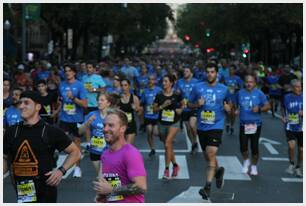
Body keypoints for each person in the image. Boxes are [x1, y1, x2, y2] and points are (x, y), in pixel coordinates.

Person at [3, 91, 81, 203]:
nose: (21, 106)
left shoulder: (50, 131)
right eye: (20, 103)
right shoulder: (12, 131)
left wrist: (60, 171)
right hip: (23, 190)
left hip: (46, 190)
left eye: (26, 103)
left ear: (38, 107)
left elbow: (75, 152)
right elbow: (5, 158)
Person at [189, 63, 231, 201]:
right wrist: (197, 105)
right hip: (202, 126)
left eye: (212, 72)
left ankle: (207, 187)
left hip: (216, 125)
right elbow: (189, 103)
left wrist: (228, 108)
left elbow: (230, 106)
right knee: (208, 157)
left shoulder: (224, 89)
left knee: (211, 153)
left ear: (217, 73)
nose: (210, 74)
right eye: (208, 72)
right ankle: (218, 172)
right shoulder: (198, 87)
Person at [93, 108, 147, 203]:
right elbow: (106, 183)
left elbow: (141, 186)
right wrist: (101, 196)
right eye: (104, 125)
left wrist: (112, 190)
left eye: (111, 125)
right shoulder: (105, 154)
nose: (105, 129)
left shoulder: (130, 153)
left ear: (122, 128)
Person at [236, 74, 271, 175]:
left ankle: (254, 166)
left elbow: (268, 106)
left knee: (254, 148)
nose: (248, 84)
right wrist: (236, 110)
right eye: (247, 82)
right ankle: (246, 160)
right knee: (243, 147)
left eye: (251, 82)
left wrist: (259, 109)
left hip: (256, 124)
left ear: (255, 83)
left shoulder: (259, 94)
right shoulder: (240, 93)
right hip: (243, 124)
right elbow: (235, 105)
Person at [79, 92, 120, 175]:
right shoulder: (92, 114)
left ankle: (113, 185)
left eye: (102, 100)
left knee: (101, 177)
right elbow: (80, 131)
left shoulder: (113, 116)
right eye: (98, 100)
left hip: (109, 150)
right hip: (95, 150)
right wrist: (88, 122)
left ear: (108, 103)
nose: (99, 102)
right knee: (103, 176)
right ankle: (115, 186)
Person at [58, 64, 88, 178]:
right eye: (66, 71)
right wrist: (57, 111)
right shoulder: (61, 85)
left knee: (77, 143)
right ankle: (66, 159)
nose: (67, 73)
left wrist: (73, 98)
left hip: (77, 118)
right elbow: (61, 101)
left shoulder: (80, 85)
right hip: (64, 118)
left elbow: (85, 104)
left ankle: (77, 168)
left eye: (70, 71)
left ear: (74, 72)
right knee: (61, 141)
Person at [153, 74, 183, 179]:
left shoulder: (177, 95)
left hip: (174, 123)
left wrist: (181, 110)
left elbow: (183, 104)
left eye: (166, 81)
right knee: (168, 146)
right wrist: (163, 106)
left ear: (171, 83)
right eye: (163, 81)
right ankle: (175, 165)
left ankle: (166, 170)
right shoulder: (159, 95)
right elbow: (154, 110)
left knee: (167, 144)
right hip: (162, 123)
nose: (163, 83)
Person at [282, 79, 303, 177]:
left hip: (302, 127)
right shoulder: (287, 97)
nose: (299, 88)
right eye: (297, 87)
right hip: (290, 125)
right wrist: (283, 116)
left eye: (300, 86)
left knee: (301, 149)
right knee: (291, 146)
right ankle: (291, 163)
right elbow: (285, 108)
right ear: (292, 88)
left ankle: (298, 167)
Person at [176, 67, 199, 154]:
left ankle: (196, 140)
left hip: (193, 107)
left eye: (187, 71)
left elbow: (200, 92)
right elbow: (177, 93)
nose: (185, 72)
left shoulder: (196, 82)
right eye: (184, 71)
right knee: (188, 128)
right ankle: (193, 143)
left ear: (191, 74)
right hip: (184, 108)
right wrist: (177, 93)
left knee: (192, 125)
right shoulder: (179, 82)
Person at [140, 74, 162, 156]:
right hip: (148, 115)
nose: (150, 81)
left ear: (155, 81)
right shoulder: (144, 91)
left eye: (152, 79)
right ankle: (152, 148)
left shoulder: (159, 90)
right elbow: (142, 102)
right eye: (149, 79)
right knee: (149, 131)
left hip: (157, 115)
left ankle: (161, 136)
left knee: (155, 132)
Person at [119, 79, 142, 144]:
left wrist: (136, 109)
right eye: (122, 85)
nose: (123, 87)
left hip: (131, 125)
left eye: (125, 85)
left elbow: (139, 113)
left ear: (129, 86)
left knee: (128, 146)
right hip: (121, 126)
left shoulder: (134, 98)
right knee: (121, 147)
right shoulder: (118, 98)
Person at [223, 64, 243, 134]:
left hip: (235, 97)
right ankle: (228, 123)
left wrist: (235, 88)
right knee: (228, 112)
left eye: (232, 69)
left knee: (233, 113)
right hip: (227, 97)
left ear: (234, 70)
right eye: (229, 69)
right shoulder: (225, 78)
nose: (230, 71)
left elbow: (241, 87)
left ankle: (232, 126)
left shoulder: (237, 78)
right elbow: (223, 86)